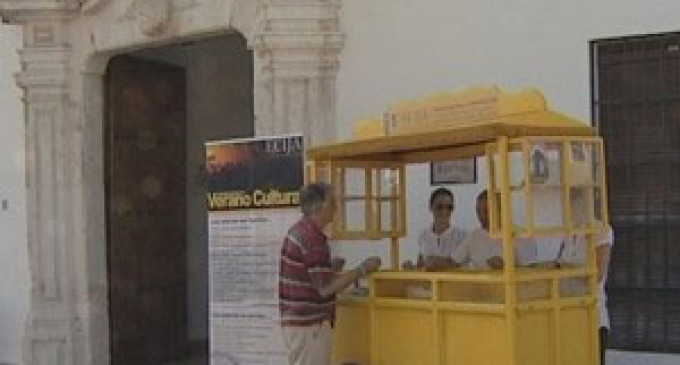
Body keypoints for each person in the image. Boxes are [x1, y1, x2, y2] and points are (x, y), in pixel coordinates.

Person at [279, 182, 381, 365]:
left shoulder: (299, 231)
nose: (336, 208)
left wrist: (330, 268)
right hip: (310, 324)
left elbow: (310, 277)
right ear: (321, 205)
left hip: (299, 322)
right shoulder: (313, 237)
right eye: (332, 202)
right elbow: (325, 289)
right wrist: (362, 269)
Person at [557, 221, 614, 365]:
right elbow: (559, 267)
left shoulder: (602, 230)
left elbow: (597, 274)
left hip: (593, 315)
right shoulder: (568, 232)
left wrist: (568, 270)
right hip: (570, 316)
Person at [452, 190, 537, 269]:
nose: (481, 217)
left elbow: (530, 272)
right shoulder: (474, 236)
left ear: (502, 210)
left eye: (486, 211)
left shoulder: (523, 236)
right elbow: (453, 261)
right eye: (478, 212)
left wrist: (507, 267)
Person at [403, 188, 466, 271]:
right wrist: (411, 267)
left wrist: (436, 262)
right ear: (430, 207)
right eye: (439, 207)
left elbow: (460, 264)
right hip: (430, 283)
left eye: (449, 207)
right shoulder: (424, 236)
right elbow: (420, 266)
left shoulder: (461, 236)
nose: (445, 211)